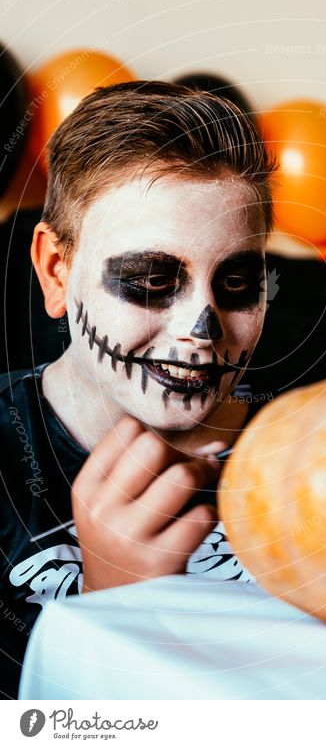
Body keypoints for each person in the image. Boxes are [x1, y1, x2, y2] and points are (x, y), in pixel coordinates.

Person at [0, 81, 276, 698]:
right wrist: (109, 607)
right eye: (150, 279)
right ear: (56, 271)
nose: (201, 330)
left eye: (235, 282)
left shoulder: (311, 456)